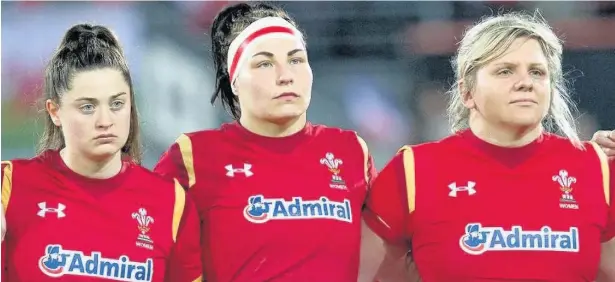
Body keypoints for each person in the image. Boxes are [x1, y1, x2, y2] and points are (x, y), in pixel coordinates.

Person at [365, 12, 615, 282]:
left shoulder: (596, 168)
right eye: (505, 71)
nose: (525, 82)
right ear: (467, 92)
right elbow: (373, 271)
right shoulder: (414, 170)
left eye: (537, 72)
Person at [153, 2, 382, 281]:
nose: (286, 76)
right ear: (234, 81)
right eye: (264, 63)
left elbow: (403, 242)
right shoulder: (193, 156)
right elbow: (139, 245)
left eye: (296, 60)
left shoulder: (349, 151)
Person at [1, 24, 202, 282]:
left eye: (117, 104)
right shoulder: (9, 186)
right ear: (54, 112)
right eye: (87, 107)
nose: (105, 120)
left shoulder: (172, 202)